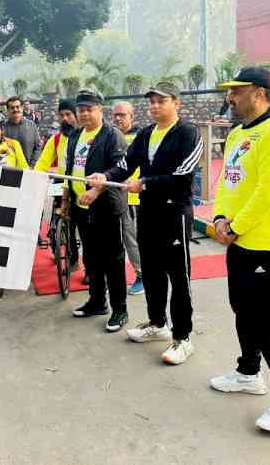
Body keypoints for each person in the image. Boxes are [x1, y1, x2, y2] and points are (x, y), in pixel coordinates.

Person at [209, 67, 270, 433]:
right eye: (230, 91)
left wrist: (235, 226)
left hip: (267, 242)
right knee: (242, 310)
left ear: (260, 93)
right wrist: (220, 216)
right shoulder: (236, 133)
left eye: (238, 90)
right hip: (238, 240)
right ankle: (249, 372)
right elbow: (227, 181)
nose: (231, 97)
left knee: (265, 321)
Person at [90, 81, 202, 363]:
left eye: (161, 101)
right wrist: (105, 177)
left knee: (178, 275)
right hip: (148, 213)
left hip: (174, 213)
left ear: (176, 103)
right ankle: (157, 323)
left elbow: (183, 175)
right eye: (151, 101)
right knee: (151, 271)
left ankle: (183, 337)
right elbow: (126, 165)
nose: (154, 106)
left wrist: (146, 184)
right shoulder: (147, 134)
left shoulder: (188, 132)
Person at [63, 88, 129, 333]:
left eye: (89, 110)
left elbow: (119, 169)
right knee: (91, 258)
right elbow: (71, 169)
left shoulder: (112, 136)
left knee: (113, 258)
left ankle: (120, 309)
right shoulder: (76, 135)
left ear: (100, 110)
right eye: (81, 110)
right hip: (81, 208)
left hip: (106, 207)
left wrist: (96, 191)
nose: (84, 114)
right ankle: (97, 301)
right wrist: (67, 198)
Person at [35, 98, 80, 267]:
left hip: (79, 185)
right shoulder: (55, 140)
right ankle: (56, 235)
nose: (65, 119)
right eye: (62, 115)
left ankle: (87, 266)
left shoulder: (85, 137)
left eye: (68, 114)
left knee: (79, 225)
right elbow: (41, 164)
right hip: (60, 183)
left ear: (76, 115)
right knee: (60, 216)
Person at [111, 101, 144, 296]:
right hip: (113, 197)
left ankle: (142, 275)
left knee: (131, 239)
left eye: (122, 115)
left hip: (133, 198)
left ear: (132, 117)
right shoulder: (110, 137)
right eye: (115, 115)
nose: (118, 118)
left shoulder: (139, 137)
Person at [4, 96, 41, 166]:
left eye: (17, 107)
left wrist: (32, 165)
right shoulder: (3, 128)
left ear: (22, 108)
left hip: (28, 169)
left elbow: (38, 147)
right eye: (12, 108)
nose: (15, 109)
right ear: (8, 110)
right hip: (9, 170)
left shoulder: (32, 125)